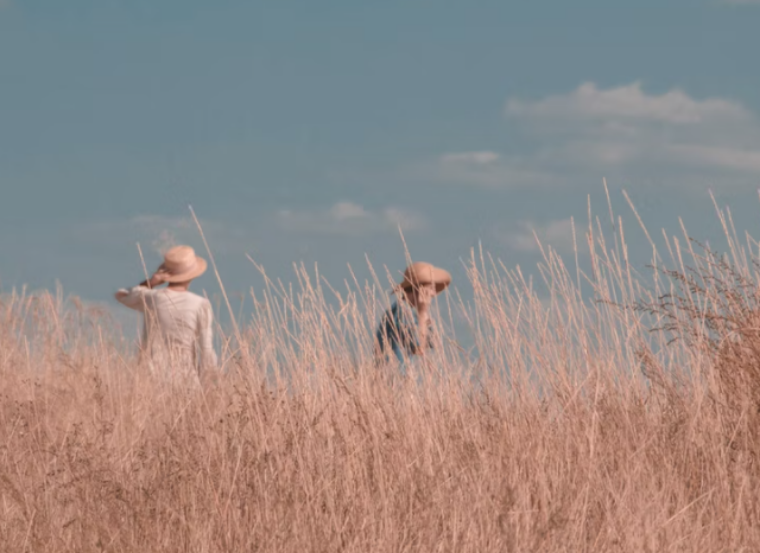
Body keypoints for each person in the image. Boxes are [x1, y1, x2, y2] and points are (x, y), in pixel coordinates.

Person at [114, 245, 218, 381]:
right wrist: (209, 383)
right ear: (192, 275)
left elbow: (123, 296)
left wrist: (151, 282)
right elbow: (206, 350)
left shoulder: (152, 297)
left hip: (151, 378)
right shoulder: (201, 304)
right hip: (186, 378)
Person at [375, 261, 451, 369]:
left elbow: (433, 343)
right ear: (419, 289)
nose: (433, 294)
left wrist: (424, 316)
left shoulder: (408, 312)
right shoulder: (402, 311)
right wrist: (422, 311)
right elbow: (418, 348)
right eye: (430, 288)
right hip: (393, 378)